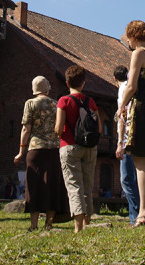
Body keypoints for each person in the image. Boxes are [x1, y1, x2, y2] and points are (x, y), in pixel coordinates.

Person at [116, 20, 145, 226]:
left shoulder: (137, 53)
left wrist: (122, 106)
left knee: (140, 161)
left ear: (133, 35)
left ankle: (143, 212)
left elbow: (132, 86)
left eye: (128, 36)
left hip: (140, 109)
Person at [15, 76, 67, 231]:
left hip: (35, 148)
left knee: (34, 185)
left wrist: (21, 151)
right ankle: (49, 223)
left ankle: (34, 224)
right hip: (54, 149)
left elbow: (26, 129)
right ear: (47, 88)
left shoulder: (30, 103)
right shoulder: (55, 104)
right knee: (52, 185)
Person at [56, 65, 102, 233]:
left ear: (67, 82)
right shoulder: (90, 101)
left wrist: (60, 133)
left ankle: (77, 227)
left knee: (74, 185)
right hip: (89, 147)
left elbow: (58, 127)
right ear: (83, 83)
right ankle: (87, 223)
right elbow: (99, 126)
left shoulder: (64, 101)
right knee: (88, 185)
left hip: (69, 145)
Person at [113, 65, 140, 224]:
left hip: (127, 138)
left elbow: (122, 116)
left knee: (127, 179)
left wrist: (120, 142)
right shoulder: (131, 87)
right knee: (135, 177)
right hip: (136, 136)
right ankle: (139, 213)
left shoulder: (123, 89)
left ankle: (135, 215)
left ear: (115, 79)